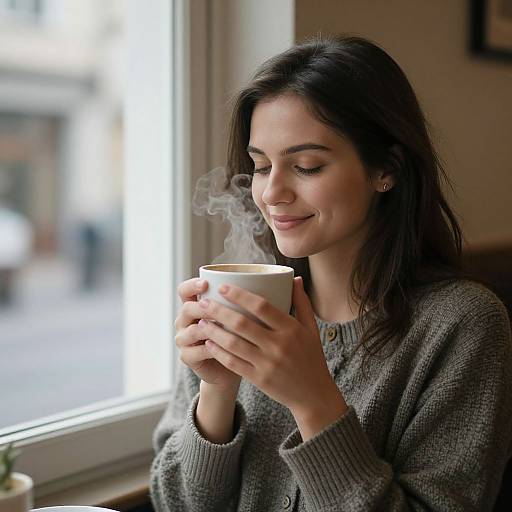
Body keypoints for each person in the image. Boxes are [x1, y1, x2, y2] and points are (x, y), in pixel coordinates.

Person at [149, 35, 512, 511]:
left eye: (306, 166)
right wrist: (216, 392)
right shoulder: (242, 302)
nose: (272, 193)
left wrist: (313, 400)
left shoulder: (463, 326)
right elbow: (174, 504)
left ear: (386, 168)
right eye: (260, 166)